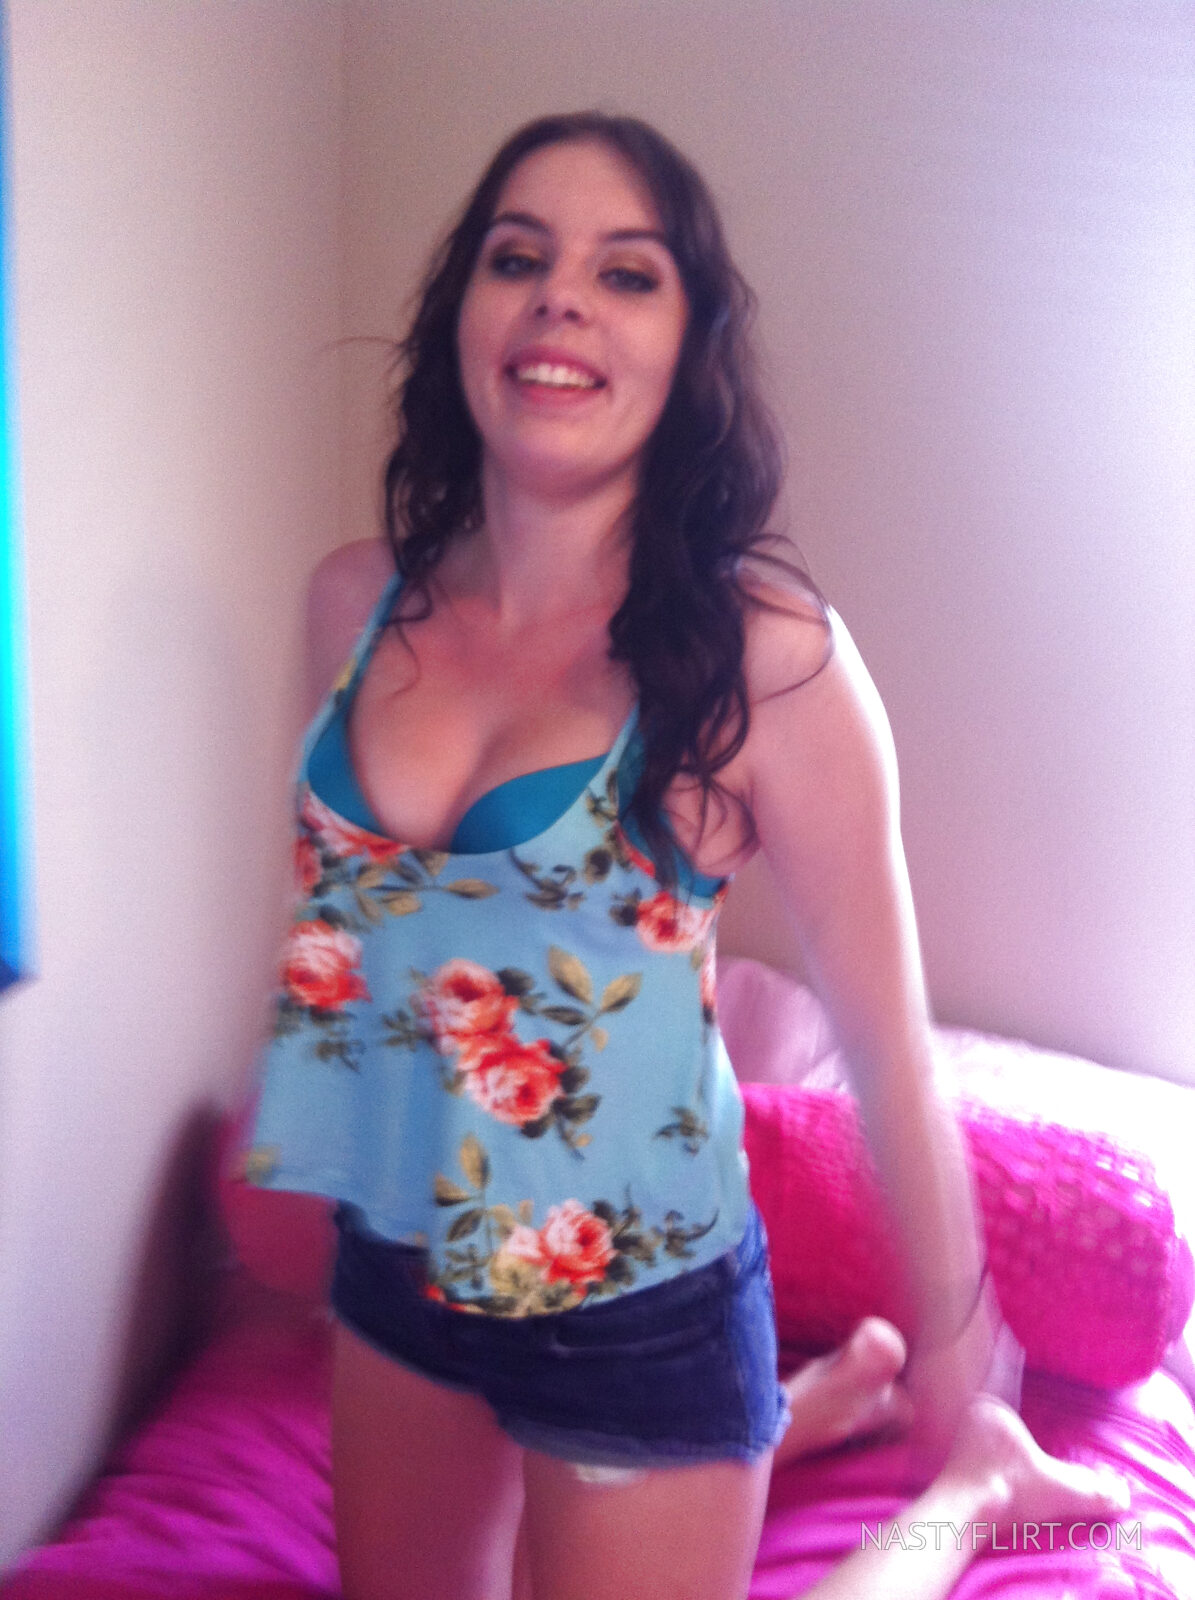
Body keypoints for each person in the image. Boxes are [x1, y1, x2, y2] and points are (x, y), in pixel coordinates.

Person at [243, 112, 1127, 1600]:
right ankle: (811, 1410)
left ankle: (971, 1496)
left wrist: (958, 1331)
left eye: (626, 273)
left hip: (637, 1314)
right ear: (463, 313)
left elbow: (882, 1034)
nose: (560, 299)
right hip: (397, 1263)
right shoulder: (352, 605)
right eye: (518, 258)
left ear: (688, 345)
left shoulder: (764, 663)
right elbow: (349, 953)